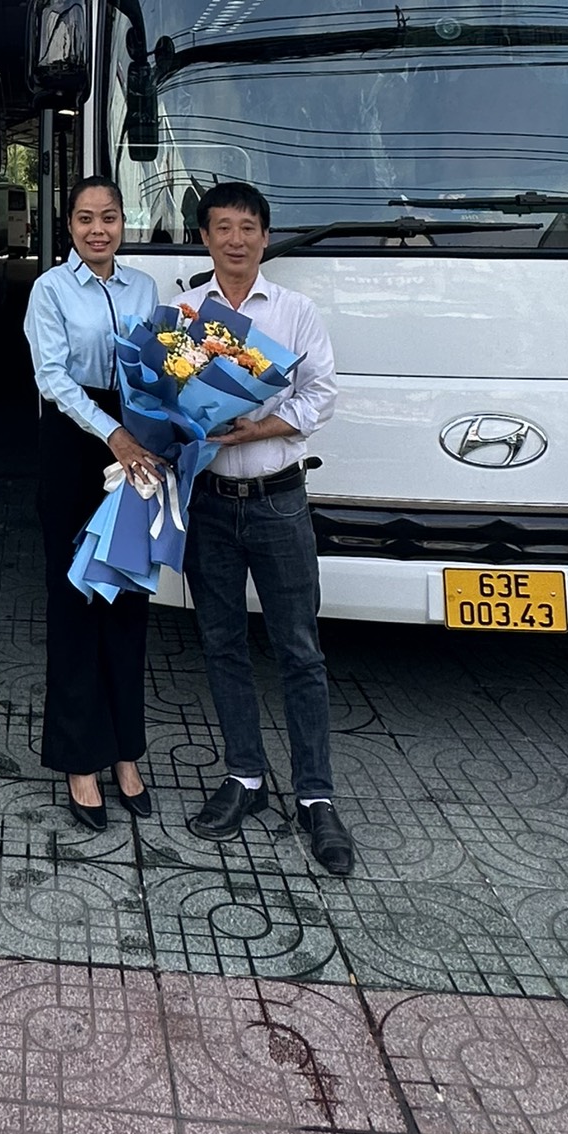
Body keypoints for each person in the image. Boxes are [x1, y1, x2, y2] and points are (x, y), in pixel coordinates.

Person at [173, 179, 354, 877]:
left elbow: (321, 395)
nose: (236, 240)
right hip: (211, 504)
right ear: (205, 237)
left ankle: (315, 796)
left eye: (248, 228)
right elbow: (169, 399)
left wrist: (260, 427)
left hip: (279, 500)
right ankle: (244, 777)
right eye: (223, 227)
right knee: (221, 645)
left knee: (299, 650)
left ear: (265, 237)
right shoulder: (187, 313)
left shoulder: (295, 311)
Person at [23, 175, 162, 830]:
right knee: (76, 598)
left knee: (128, 596)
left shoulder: (145, 289)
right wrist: (114, 435)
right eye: (85, 218)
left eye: (108, 217)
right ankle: (81, 760)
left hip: (137, 444)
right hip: (75, 445)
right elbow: (52, 378)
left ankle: (126, 753)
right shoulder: (50, 290)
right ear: (70, 225)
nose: (97, 229)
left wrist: (163, 429)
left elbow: (157, 370)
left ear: (123, 222)